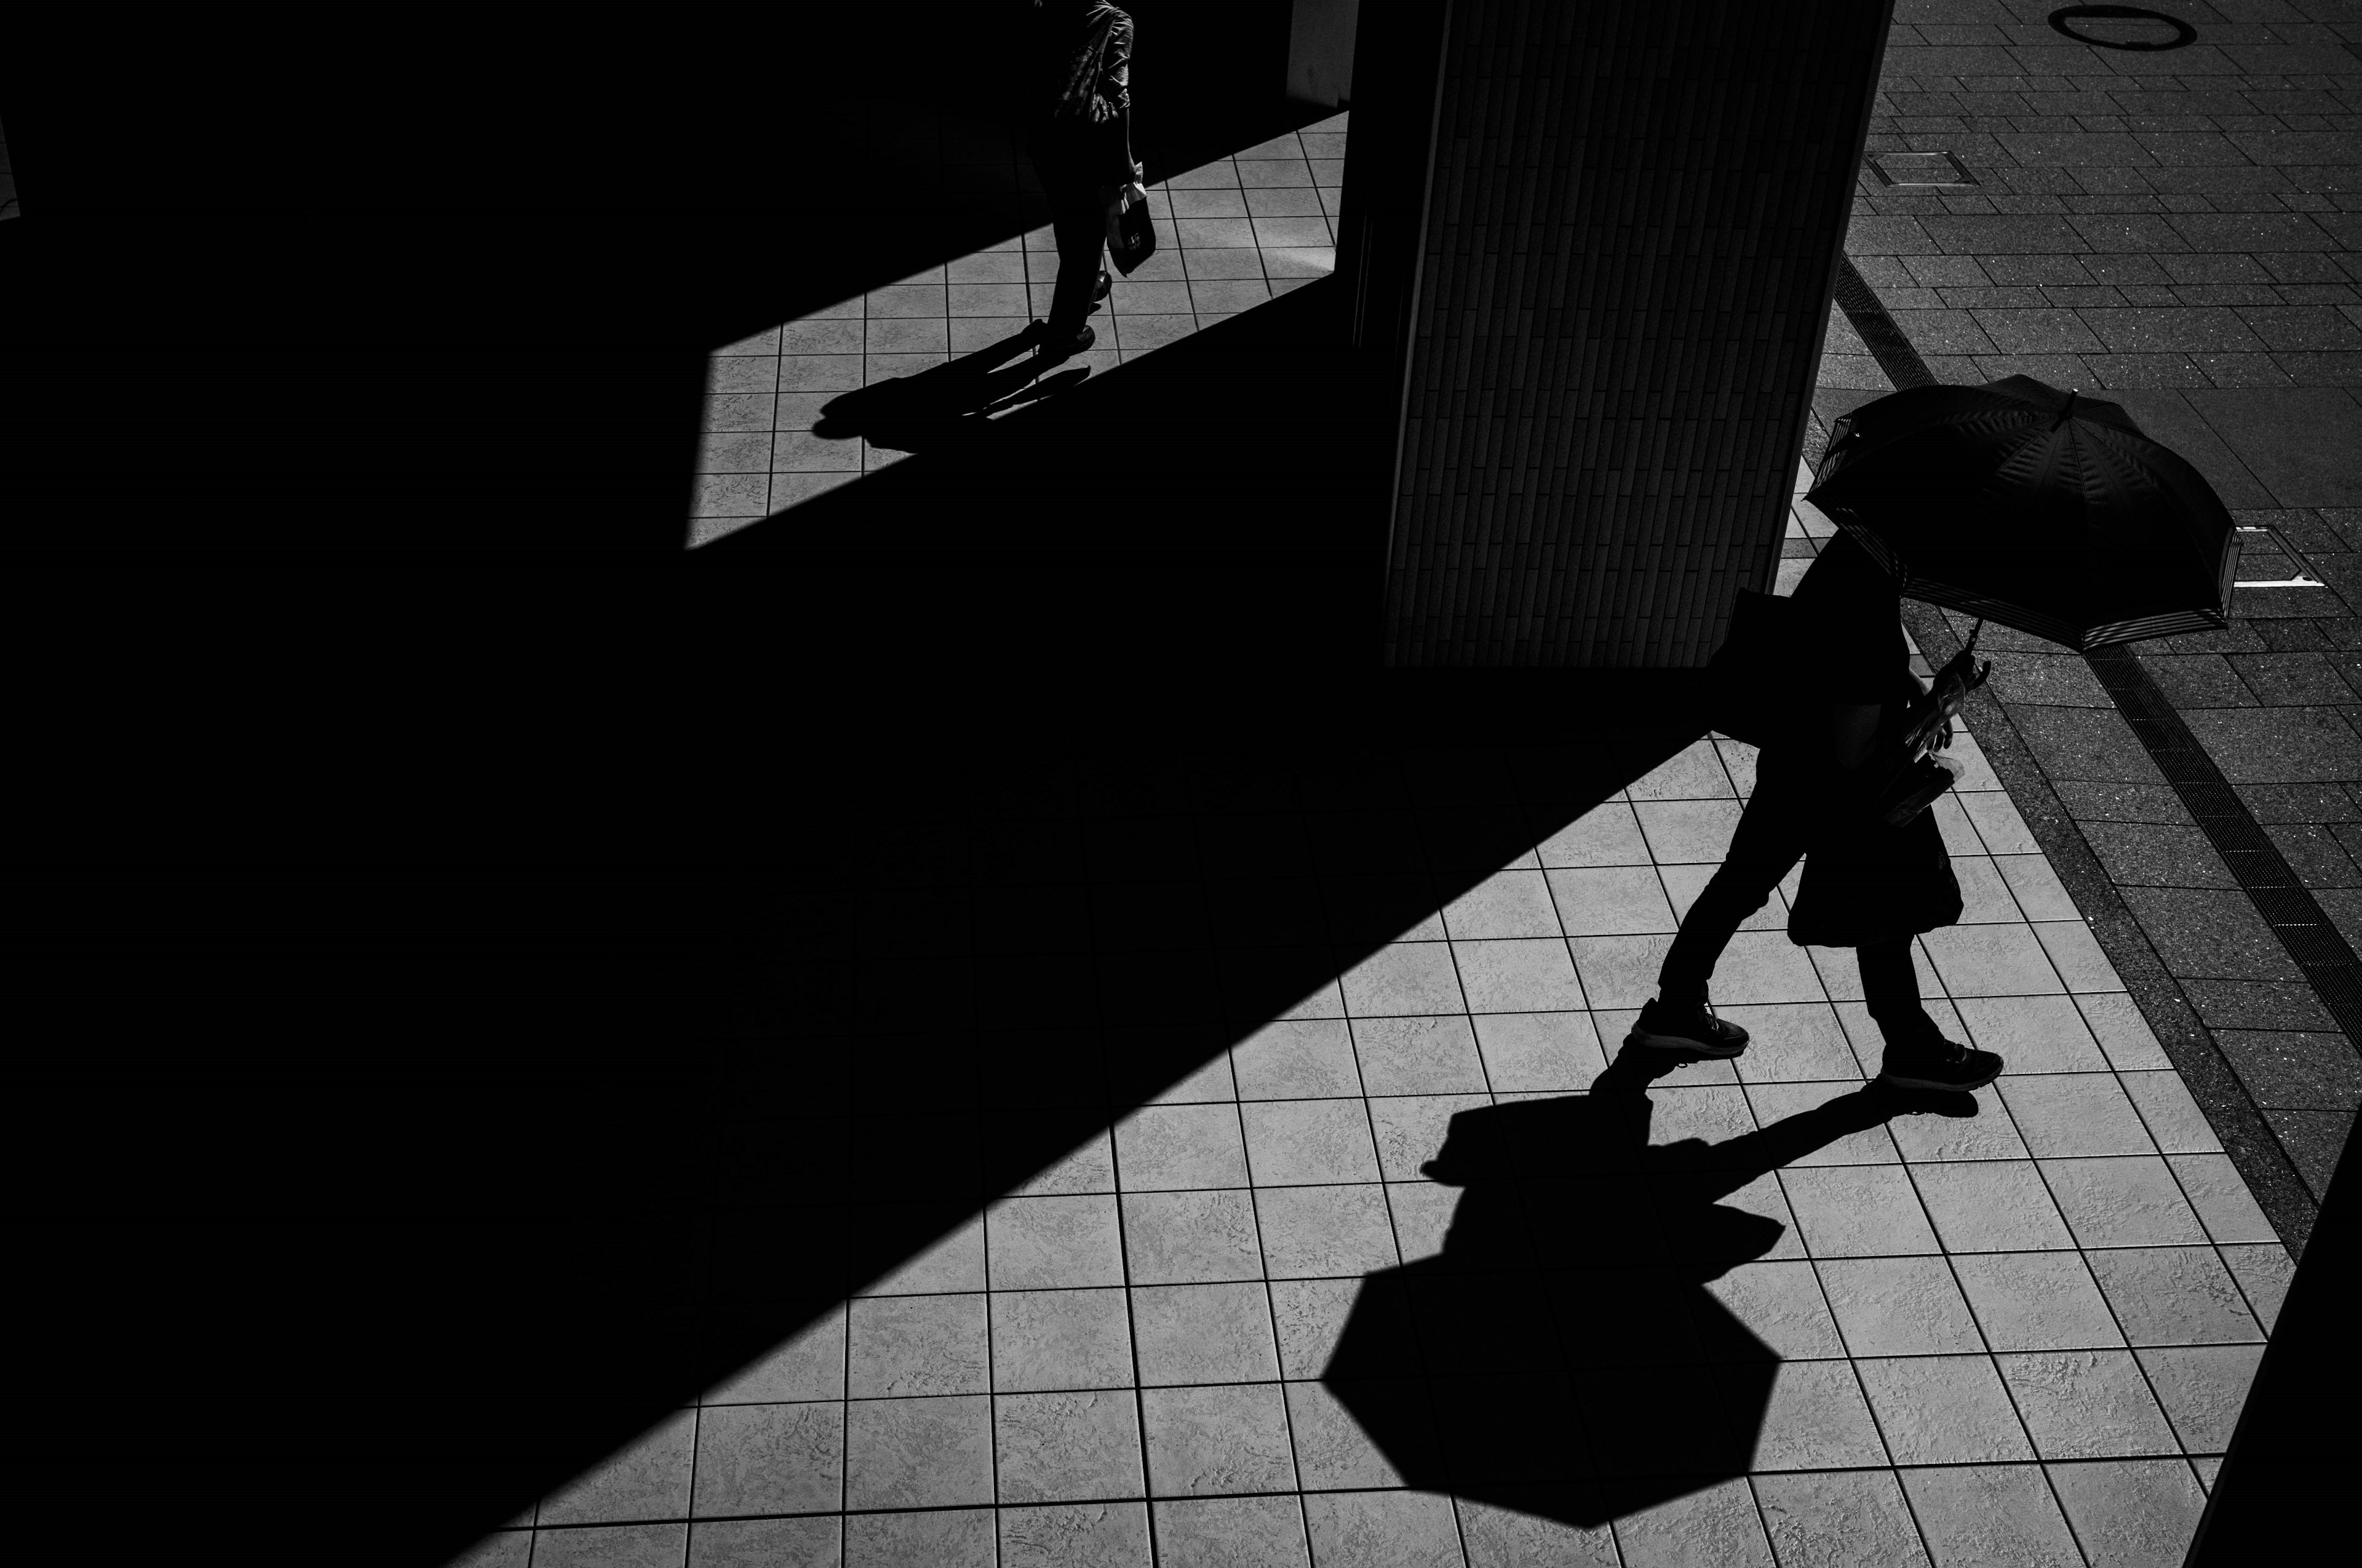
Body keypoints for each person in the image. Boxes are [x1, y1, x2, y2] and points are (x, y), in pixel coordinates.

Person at [1626, 534, 2005, 1092]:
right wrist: (1933, 706)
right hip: (1829, 793)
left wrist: (1904, 682)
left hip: (1791, 763)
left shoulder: (1854, 556)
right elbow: (1855, 753)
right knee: (1884, 917)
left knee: (1744, 885)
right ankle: (1910, 1048)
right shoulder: (1869, 603)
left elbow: (1837, 661)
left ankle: (1676, 1003)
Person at [1027, 1, 1147, 362]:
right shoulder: (1114, 21)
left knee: (1069, 219)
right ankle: (1065, 334)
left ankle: (1088, 286)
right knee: (1087, 236)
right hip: (1087, 144)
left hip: (1044, 137)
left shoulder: (1044, 7)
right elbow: (1117, 93)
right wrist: (1124, 158)